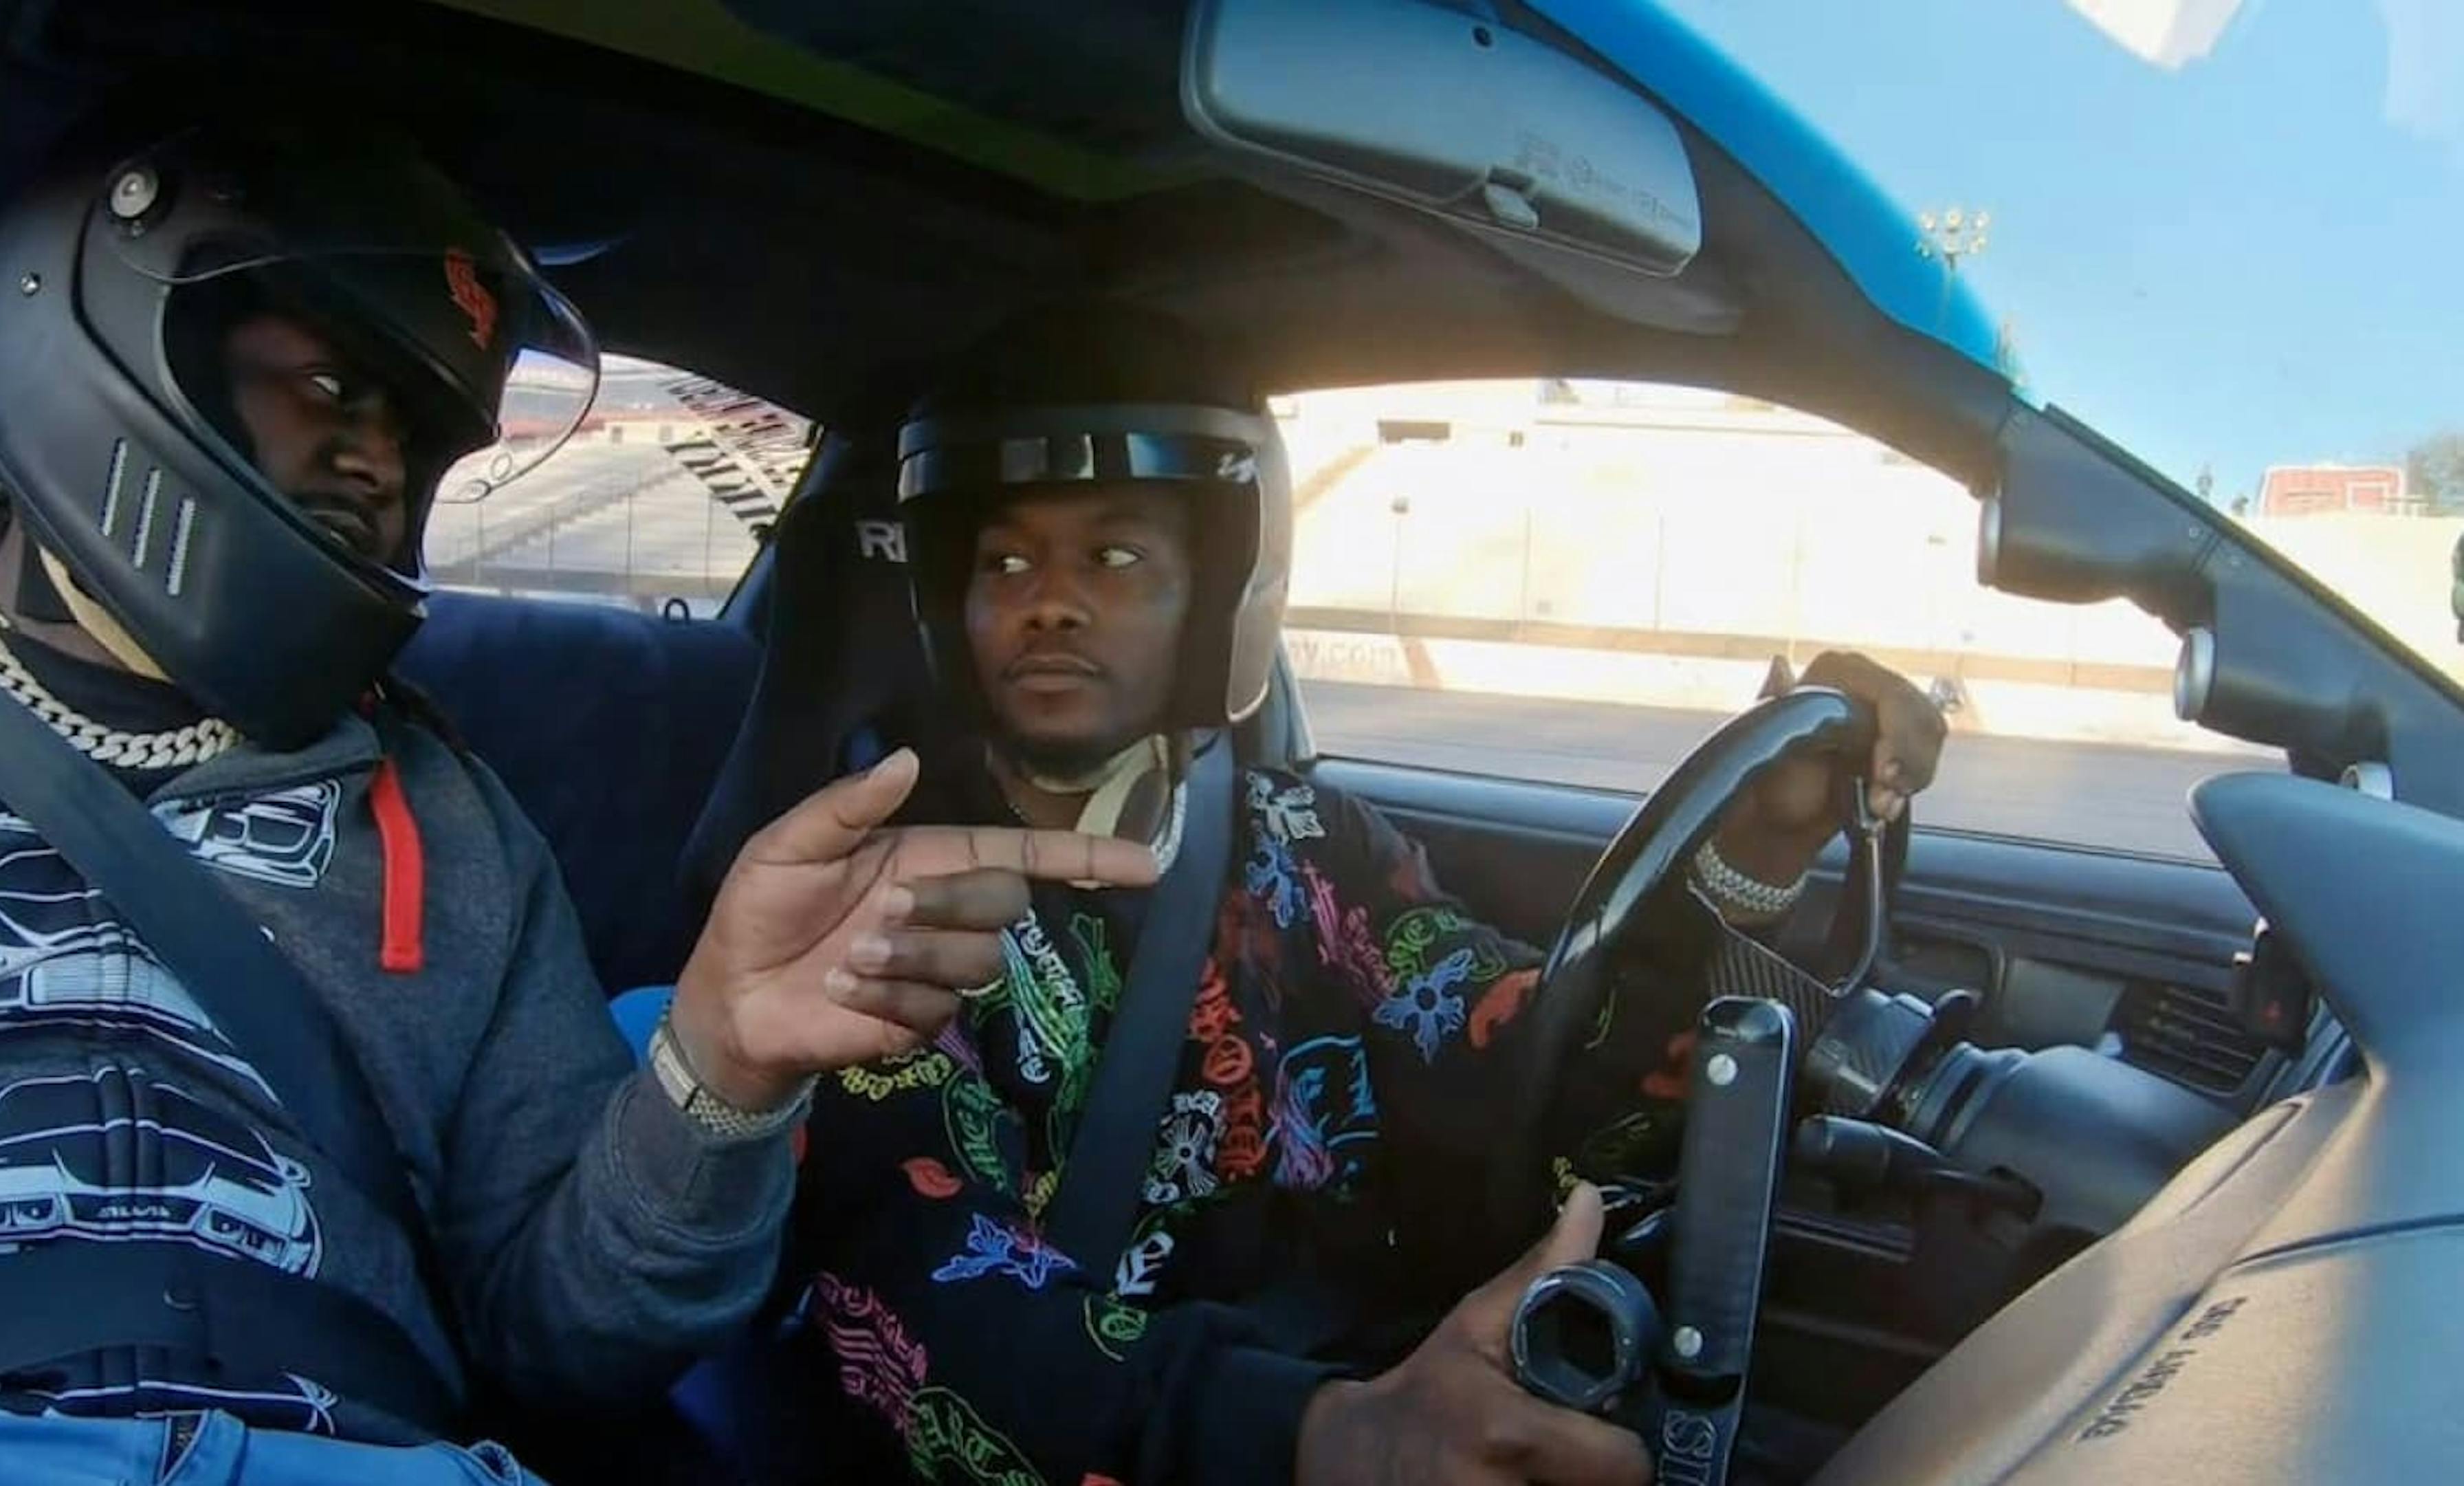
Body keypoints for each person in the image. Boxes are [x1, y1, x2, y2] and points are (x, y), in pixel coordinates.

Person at [0, 124, 1154, 1483]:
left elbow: (568, 1340)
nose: (378, 465)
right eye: (335, 385)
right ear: (111, 340)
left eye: (409, 432)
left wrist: (720, 1073)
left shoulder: (452, 821)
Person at [770, 305, 1947, 1485]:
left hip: (1389, 1379)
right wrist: (1319, 1434)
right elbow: (911, 1288)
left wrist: (1761, 852)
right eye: (1006, 562)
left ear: (1217, 595)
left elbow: (1531, 1041)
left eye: (1115, 557)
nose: (1052, 602)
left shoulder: (1303, 839)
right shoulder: (897, 898)